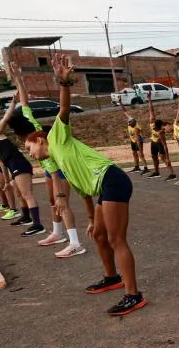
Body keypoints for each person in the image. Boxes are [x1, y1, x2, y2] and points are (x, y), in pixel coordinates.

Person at [24, 54, 145, 315]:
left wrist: (64, 84)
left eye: (29, 146)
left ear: (40, 140)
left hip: (112, 178)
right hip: (102, 187)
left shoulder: (56, 137)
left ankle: (133, 295)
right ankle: (112, 277)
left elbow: (64, 111)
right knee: (99, 234)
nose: (29, 153)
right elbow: (85, 194)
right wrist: (91, 219)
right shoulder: (58, 162)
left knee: (116, 239)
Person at [9, 62, 85, 253]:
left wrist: (59, 194)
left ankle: (75, 242)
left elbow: (56, 174)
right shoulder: (31, 124)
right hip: (50, 170)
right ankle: (58, 232)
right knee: (53, 201)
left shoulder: (39, 143)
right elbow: (25, 102)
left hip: (59, 170)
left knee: (62, 202)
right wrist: (18, 79)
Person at [145, 93, 177, 180]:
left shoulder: (161, 132)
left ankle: (172, 173)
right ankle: (156, 172)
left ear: (159, 128)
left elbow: (164, 145)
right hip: (153, 143)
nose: (153, 127)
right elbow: (151, 110)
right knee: (154, 157)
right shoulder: (152, 122)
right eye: (154, 126)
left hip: (159, 144)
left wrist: (168, 158)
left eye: (155, 127)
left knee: (163, 158)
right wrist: (149, 99)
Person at [120, 106, 150, 174]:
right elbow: (125, 112)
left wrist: (140, 149)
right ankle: (137, 167)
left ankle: (146, 168)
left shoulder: (136, 128)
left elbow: (138, 140)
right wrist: (120, 103)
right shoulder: (131, 120)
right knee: (134, 153)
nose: (129, 124)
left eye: (130, 124)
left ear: (134, 124)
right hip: (133, 141)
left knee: (140, 154)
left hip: (138, 141)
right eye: (129, 123)